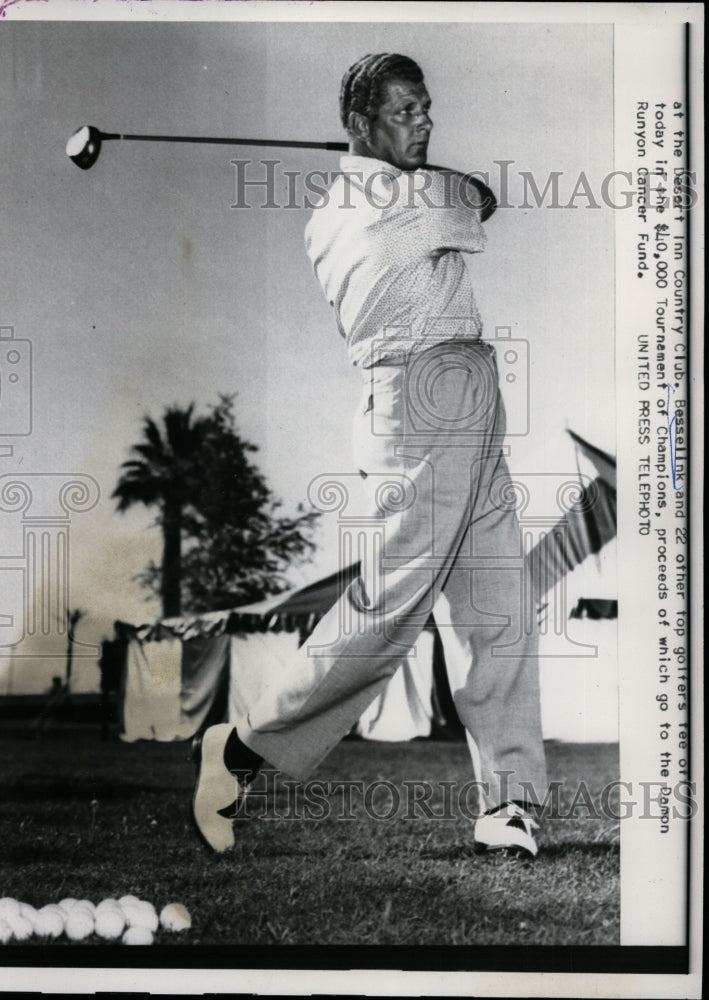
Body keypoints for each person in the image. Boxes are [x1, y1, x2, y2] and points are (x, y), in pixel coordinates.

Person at [193, 53, 548, 857]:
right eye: (404, 112)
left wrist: (396, 158)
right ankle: (242, 746)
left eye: (426, 108)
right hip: (424, 400)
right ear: (358, 127)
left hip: (462, 390)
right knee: (391, 605)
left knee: (497, 608)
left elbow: (465, 197)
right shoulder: (389, 204)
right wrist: (422, 171)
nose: (423, 122)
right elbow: (483, 198)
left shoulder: (346, 202)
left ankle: (509, 803)